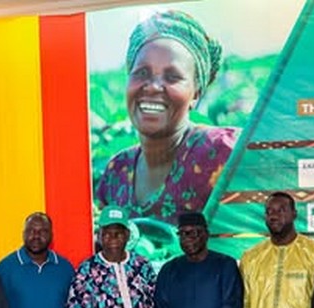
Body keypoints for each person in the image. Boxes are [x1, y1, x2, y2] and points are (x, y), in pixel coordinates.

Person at [95, 10, 238, 224]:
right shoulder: (117, 171)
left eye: (172, 77)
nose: (152, 86)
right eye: (142, 72)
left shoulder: (222, 152)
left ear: (196, 94)